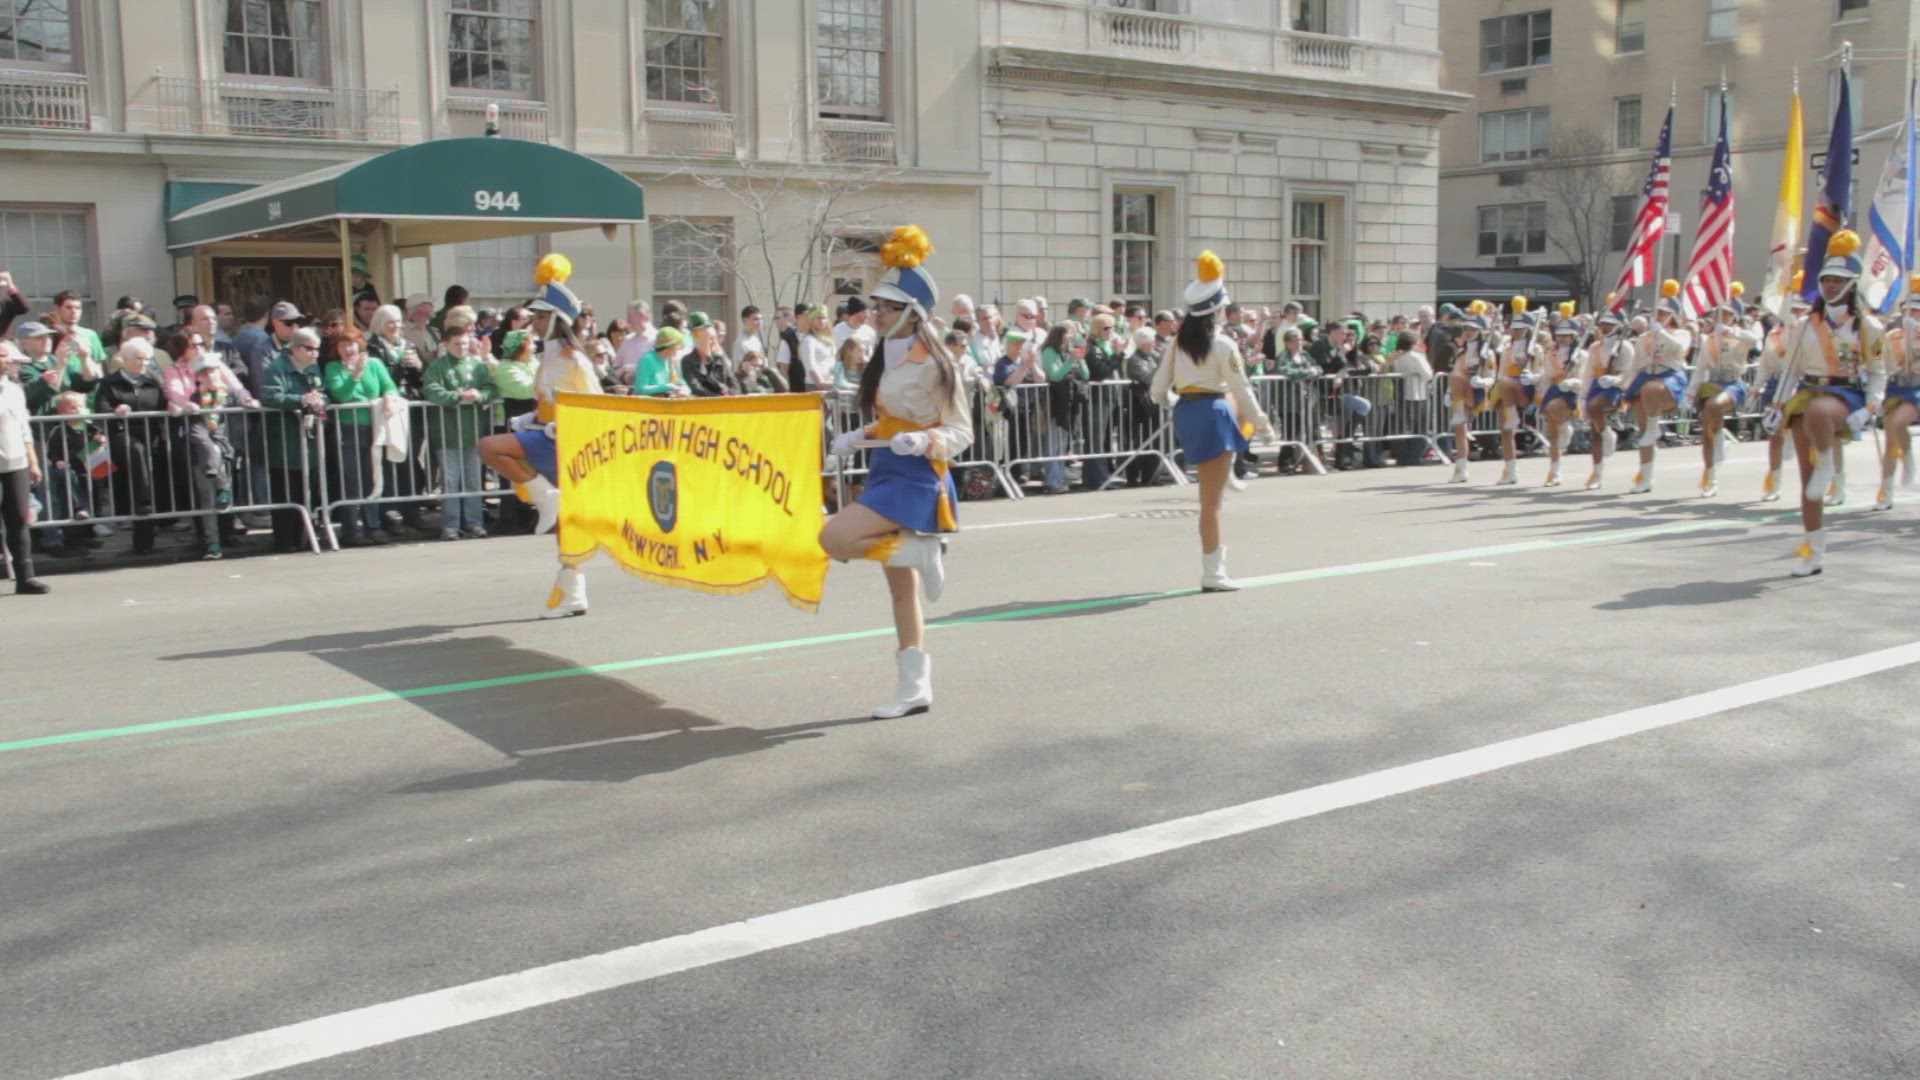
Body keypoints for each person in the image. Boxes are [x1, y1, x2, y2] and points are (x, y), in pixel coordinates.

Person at [819, 226, 971, 719]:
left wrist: (926, 440)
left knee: (833, 538)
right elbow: (893, 420)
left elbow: (961, 430)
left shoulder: (937, 363)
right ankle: (915, 688)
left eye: (888, 306)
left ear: (911, 312)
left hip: (919, 474)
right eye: (877, 305)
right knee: (900, 589)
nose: (877, 313)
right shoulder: (885, 354)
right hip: (887, 464)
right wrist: (857, 436)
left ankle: (922, 549)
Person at [476, 253, 602, 618]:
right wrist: (532, 418)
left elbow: (595, 405)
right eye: (537, 316)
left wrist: (561, 425)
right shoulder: (548, 356)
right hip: (546, 435)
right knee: (566, 522)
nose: (536, 322)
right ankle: (573, 590)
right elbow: (546, 399)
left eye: (544, 317)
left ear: (559, 320)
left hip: (562, 442)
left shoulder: (575, 360)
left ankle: (545, 496)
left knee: (488, 447)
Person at [1148, 252, 1274, 591]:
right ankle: (1213, 572)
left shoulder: (1177, 342)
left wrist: (1170, 401)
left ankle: (1229, 466)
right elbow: (1242, 387)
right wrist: (1263, 424)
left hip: (1187, 412)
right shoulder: (1222, 343)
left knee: (1209, 496)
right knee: (1210, 504)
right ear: (1217, 310)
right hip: (1212, 412)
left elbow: (1158, 387)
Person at [1768, 230, 1886, 577]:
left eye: (1838, 280)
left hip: (1844, 396)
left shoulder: (1867, 326)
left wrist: (1870, 408)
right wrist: (1776, 407)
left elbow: (1877, 372)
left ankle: (1828, 466)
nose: (1831, 285)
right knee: (1808, 485)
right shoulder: (1805, 325)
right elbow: (1790, 370)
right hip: (1807, 392)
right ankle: (1814, 551)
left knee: (1819, 413)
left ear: (1851, 285)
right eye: (1827, 279)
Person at [161, 328, 257, 559]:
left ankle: (224, 531)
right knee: (205, 493)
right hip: (196, 440)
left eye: (200, 344)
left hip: (222, 439)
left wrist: (247, 399)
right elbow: (174, 395)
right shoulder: (177, 372)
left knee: (223, 474)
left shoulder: (216, 368)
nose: (198, 349)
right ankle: (210, 540)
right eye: (193, 345)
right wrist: (183, 405)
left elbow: (235, 386)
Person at [321, 327, 402, 547]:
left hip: (374, 427)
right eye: (342, 345)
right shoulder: (333, 368)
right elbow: (341, 394)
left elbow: (389, 385)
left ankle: (373, 526)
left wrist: (388, 396)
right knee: (351, 481)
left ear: (360, 345)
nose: (348, 349)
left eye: (351, 344)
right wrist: (355, 374)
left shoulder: (374, 364)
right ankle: (351, 529)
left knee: (373, 478)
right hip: (348, 428)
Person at [94, 337, 170, 556]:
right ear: (125, 358)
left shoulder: (152, 383)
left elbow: (163, 406)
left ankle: (146, 540)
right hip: (123, 439)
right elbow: (101, 406)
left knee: (150, 481)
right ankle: (143, 508)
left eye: (147, 359)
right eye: (139, 358)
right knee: (137, 462)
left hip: (150, 440)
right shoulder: (109, 383)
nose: (144, 363)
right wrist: (115, 410)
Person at [423, 323, 498, 541]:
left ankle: (475, 523)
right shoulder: (437, 366)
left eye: (465, 343)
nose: (462, 347)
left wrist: (480, 395)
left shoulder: (478, 366)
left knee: (473, 480)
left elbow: (491, 389)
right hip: (447, 433)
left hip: (473, 432)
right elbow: (430, 390)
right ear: (446, 344)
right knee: (450, 482)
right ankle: (450, 526)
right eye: (456, 344)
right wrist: (456, 397)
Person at [257, 326, 329, 553]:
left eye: (317, 349)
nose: (315, 354)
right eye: (310, 349)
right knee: (287, 492)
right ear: (296, 348)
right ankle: (286, 540)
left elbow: (324, 392)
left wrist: (320, 400)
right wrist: (300, 399)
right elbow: (270, 396)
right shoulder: (276, 367)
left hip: (309, 441)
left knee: (310, 490)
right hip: (284, 442)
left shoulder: (313, 368)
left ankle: (308, 536)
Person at [1687, 286, 1761, 498]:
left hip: (1733, 383)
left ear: (1733, 317)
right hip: (1712, 383)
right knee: (1706, 433)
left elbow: (1756, 340)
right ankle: (1710, 478)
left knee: (1714, 405)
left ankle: (1721, 435)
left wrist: (1732, 332)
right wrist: (1690, 394)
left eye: (1726, 314)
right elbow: (1700, 369)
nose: (1721, 318)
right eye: (1718, 314)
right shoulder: (1708, 339)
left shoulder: (1741, 335)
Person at [1620, 282, 1694, 495]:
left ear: (1673, 315)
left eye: (1664, 313)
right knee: (1644, 431)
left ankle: (1655, 426)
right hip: (1645, 377)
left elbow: (1679, 350)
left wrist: (1661, 332)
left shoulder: (1681, 334)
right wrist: (1626, 386)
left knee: (1651, 391)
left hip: (1669, 376)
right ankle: (1646, 477)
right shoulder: (1646, 337)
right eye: (1658, 313)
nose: (1659, 316)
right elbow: (1636, 364)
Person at [369, 303, 430, 534]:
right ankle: (388, 512)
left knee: (410, 459)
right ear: (380, 324)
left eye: (397, 321)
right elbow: (376, 378)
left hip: (409, 406)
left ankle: (411, 510)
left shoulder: (409, 345)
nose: (395, 326)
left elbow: (423, 377)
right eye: (389, 322)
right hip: (386, 408)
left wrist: (418, 366)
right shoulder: (373, 347)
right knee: (387, 460)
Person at [0, 338, 47, 592]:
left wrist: (33, 461)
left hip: (15, 460)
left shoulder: (14, 390)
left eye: (8, 356)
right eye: (2, 356)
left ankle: (25, 577)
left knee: (19, 519)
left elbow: (23, 428)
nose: (8, 361)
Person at [1874, 275, 1920, 511]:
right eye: (1909, 311)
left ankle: (1908, 456)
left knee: (1899, 423)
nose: (1912, 315)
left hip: (1918, 387)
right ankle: (1886, 491)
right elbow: (1881, 363)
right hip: (1896, 386)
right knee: (1890, 439)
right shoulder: (1892, 337)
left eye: (1917, 311)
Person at [1581, 309, 1636, 490]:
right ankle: (1597, 474)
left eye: (1609, 324)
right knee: (1594, 431)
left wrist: (1616, 380)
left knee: (1595, 408)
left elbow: (1628, 371)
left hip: (1614, 389)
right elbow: (1588, 372)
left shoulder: (1625, 346)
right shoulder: (1594, 347)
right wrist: (1583, 395)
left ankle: (1609, 434)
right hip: (1596, 385)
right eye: (1603, 323)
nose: (1605, 327)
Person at [1492, 298, 1544, 486]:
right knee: (1506, 430)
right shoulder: (1507, 347)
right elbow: (1502, 371)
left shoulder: (1536, 348)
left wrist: (1533, 376)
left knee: (1506, 383)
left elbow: (1542, 371)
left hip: (1527, 388)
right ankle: (1511, 470)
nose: (1516, 331)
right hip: (1507, 388)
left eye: (1520, 328)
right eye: (1514, 328)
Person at [1445, 314, 1495, 483]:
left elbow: (1492, 376)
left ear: (1480, 331)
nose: (1468, 332)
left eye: (1473, 329)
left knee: (1460, 424)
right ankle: (1461, 469)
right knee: (1460, 429)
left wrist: (1483, 381)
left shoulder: (1486, 352)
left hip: (1477, 391)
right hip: (1461, 391)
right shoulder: (1461, 352)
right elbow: (1455, 373)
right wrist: (1448, 392)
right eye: (1466, 328)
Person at [1537, 317, 1585, 487]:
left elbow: (1584, 378)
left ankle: (1565, 425)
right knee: (1553, 433)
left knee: (1552, 409)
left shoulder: (1582, 355)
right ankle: (1554, 471)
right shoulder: (1550, 354)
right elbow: (1546, 376)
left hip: (1572, 392)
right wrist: (1540, 393)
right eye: (1559, 335)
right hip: (1554, 389)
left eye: (1566, 335)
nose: (1562, 338)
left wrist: (1573, 383)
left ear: (1573, 336)